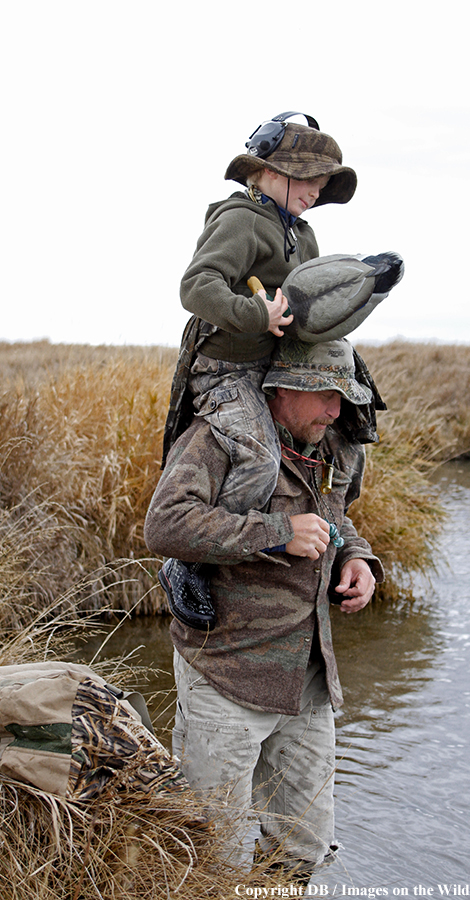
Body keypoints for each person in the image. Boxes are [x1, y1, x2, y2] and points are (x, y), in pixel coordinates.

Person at [144, 336, 385, 886]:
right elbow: (165, 524)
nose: (336, 410)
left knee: (300, 850)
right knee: (213, 856)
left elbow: (334, 519)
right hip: (226, 678)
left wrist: (357, 559)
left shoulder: (328, 445)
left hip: (308, 683)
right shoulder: (220, 437)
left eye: (344, 397)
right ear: (284, 389)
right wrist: (276, 533)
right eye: (326, 394)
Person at [159, 112, 359, 629]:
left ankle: (339, 544)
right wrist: (255, 314)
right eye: (308, 177)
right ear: (268, 170)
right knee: (260, 460)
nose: (316, 190)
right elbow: (197, 286)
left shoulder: (304, 236)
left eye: (322, 181)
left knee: (350, 429)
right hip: (225, 369)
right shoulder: (240, 219)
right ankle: (188, 563)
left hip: (273, 368)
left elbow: (310, 303)